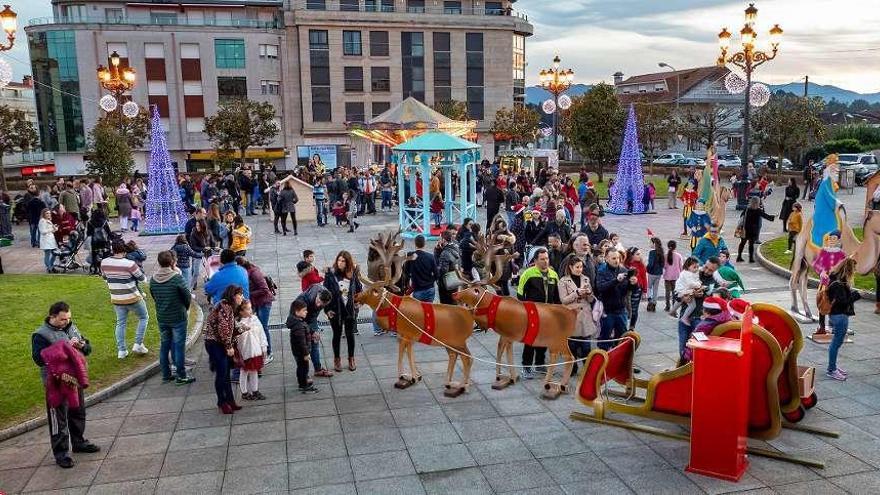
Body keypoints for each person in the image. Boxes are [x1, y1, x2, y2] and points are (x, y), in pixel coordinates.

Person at [31, 302, 100, 468]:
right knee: (58, 419)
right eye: (63, 319)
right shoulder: (40, 335)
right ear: (52, 316)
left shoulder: (71, 327)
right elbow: (39, 359)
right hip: (55, 383)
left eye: (69, 318)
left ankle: (79, 442)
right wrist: (65, 348)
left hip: (74, 379)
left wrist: (82, 345)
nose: (66, 322)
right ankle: (61, 454)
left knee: (78, 411)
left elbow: (88, 348)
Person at [149, 250, 195, 385]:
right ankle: (181, 375)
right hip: (178, 317)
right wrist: (185, 307)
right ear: (172, 262)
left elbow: (153, 295)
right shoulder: (176, 278)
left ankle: (166, 374)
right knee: (179, 347)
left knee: (164, 346)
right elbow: (187, 296)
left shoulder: (153, 279)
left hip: (162, 317)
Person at [100, 240, 149, 359]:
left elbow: (105, 278)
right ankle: (138, 344)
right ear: (124, 251)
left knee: (120, 323)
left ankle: (121, 351)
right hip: (132, 297)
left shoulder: (104, 262)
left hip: (117, 298)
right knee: (144, 317)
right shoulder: (129, 263)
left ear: (113, 250)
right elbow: (142, 279)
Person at [516, 248, 560, 378]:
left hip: (548, 315)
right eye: (542, 259)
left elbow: (557, 297)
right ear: (535, 260)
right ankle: (526, 367)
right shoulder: (528, 274)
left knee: (544, 340)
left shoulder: (553, 274)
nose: (545, 261)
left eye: (547, 258)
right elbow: (520, 294)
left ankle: (540, 363)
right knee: (530, 341)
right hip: (532, 314)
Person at [204, 285, 244, 414]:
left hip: (218, 342)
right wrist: (229, 346)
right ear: (234, 296)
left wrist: (241, 328)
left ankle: (230, 400)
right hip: (214, 344)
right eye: (240, 295)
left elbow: (229, 327)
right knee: (222, 374)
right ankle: (222, 402)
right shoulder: (225, 308)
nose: (242, 297)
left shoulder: (228, 307)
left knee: (226, 373)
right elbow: (223, 329)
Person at [323, 251, 363, 372]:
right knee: (336, 335)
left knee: (350, 335)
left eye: (343, 261)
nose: (340, 263)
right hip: (335, 310)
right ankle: (337, 359)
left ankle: (351, 359)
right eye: (339, 260)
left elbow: (359, 289)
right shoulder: (331, 274)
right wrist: (327, 310)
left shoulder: (353, 274)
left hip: (349, 310)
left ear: (347, 262)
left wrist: (358, 302)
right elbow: (325, 293)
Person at [558, 257, 596, 377]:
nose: (580, 270)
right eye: (577, 267)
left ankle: (587, 368)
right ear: (570, 267)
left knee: (586, 346)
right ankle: (572, 368)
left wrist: (589, 294)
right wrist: (577, 293)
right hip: (572, 316)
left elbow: (591, 299)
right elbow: (563, 300)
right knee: (572, 346)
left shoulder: (586, 279)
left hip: (584, 316)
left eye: (581, 267)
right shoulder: (563, 281)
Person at [595, 249, 638, 350]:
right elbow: (600, 288)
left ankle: (618, 360)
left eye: (618, 258)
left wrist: (634, 284)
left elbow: (629, 290)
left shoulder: (623, 270)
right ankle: (603, 360)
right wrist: (616, 280)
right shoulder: (602, 271)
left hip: (620, 310)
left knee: (622, 338)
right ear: (606, 259)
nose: (617, 260)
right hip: (607, 311)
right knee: (604, 340)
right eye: (613, 258)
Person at [826, 258, 859, 381]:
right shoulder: (839, 284)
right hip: (839, 316)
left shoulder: (836, 279)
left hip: (836, 315)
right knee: (836, 343)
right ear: (848, 270)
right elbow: (842, 302)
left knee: (837, 343)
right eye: (853, 269)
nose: (854, 272)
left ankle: (833, 367)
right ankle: (831, 369)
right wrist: (856, 295)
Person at [238, 258, 276, 363]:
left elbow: (264, 289)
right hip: (256, 302)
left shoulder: (254, 272)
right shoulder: (247, 272)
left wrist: (249, 294)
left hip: (264, 302)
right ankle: (260, 351)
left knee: (263, 327)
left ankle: (268, 352)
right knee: (257, 326)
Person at [292, 285, 334, 377]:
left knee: (315, 342)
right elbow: (299, 321)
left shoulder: (325, 294)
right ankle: (303, 375)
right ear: (317, 295)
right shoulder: (303, 301)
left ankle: (318, 369)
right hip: (298, 321)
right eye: (318, 301)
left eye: (322, 304)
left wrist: (327, 311)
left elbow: (325, 304)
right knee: (302, 347)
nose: (319, 305)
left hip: (311, 318)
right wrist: (311, 331)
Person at [235, 300, 268, 399]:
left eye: (250, 308)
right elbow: (237, 338)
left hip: (256, 350)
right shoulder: (238, 323)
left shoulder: (255, 319)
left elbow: (261, 333)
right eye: (248, 309)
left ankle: (255, 390)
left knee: (254, 371)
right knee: (244, 371)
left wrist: (264, 347)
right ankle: (244, 392)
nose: (251, 310)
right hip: (245, 351)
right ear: (241, 311)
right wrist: (245, 330)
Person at [288, 299, 319, 393]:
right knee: (303, 368)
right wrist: (306, 353)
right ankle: (303, 385)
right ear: (297, 312)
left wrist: (312, 332)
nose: (307, 312)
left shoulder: (299, 321)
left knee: (302, 367)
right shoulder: (298, 325)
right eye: (304, 310)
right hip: (301, 352)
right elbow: (302, 342)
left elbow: (307, 329)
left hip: (298, 351)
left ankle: (303, 382)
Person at [737, 196, 775, 263]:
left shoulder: (747, 209)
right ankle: (751, 258)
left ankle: (739, 256)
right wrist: (773, 217)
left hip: (745, 229)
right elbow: (766, 216)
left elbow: (741, 216)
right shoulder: (758, 210)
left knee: (742, 243)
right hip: (753, 230)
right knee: (751, 244)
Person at [670, 257, 702, 325]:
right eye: (694, 267)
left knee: (680, 300)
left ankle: (672, 311)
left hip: (681, 290)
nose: (696, 269)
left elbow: (699, 269)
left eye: (697, 267)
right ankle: (684, 317)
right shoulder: (687, 274)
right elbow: (690, 284)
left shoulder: (688, 271)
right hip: (684, 290)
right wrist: (699, 284)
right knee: (692, 305)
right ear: (688, 266)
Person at [406, 235, 438, 302]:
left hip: (417, 289)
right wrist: (431, 281)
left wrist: (408, 284)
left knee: (418, 311)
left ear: (415, 243)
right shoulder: (430, 257)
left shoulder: (410, 256)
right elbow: (437, 274)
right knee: (428, 310)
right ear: (424, 244)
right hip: (430, 288)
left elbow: (406, 272)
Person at [436, 229, 462, 305]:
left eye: (440, 239)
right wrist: (438, 250)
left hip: (446, 284)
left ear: (443, 240)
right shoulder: (456, 247)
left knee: (446, 304)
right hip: (455, 280)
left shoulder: (445, 253)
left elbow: (442, 271)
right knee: (453, 302)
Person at [624, 247, 647, 331]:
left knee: (634, 309)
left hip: (638, 289)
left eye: (640, 254)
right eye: (637, 254)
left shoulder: (641, 265)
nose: (639, 256)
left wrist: (645, 291)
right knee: (626, 308)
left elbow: (644, 278)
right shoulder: (626, 265)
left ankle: (632, 327)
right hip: (627, 289)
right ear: (631, 255)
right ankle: (624, 326)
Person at [662, 240, 683, 312]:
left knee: (667, 292)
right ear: (675, 247)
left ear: (668, 246)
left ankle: (667, 306)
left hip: (667, 276)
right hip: (676, 276)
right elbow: (681, 267)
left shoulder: (665, 255)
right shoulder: (679, 256)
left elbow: (664, 266)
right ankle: (674, 305)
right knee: (675, 292)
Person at [39, 208, 59, 273]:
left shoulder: (48, 220)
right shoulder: (42, 221)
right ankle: (49, 267)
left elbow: (50, 230)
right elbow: (43, 231)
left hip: (51, 240)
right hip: (46, 240)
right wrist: (51, 230)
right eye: (47, 213)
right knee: (47, 254)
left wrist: (54, 229)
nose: (48, 214)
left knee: (55, 253)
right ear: (44, 214)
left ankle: (51, 266)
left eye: (49, 213)